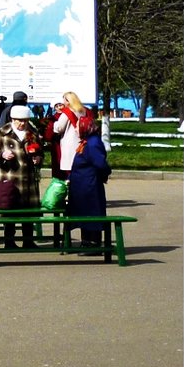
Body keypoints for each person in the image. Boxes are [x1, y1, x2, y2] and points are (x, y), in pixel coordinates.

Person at [0, 104, 44, 248]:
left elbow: (40, 151)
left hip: (28, 178)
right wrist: (2, 155)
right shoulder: (3, 131)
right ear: (12, 119)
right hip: (9, 178)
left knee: (28, 211)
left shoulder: (33, 132)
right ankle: (9, 241)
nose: (22, 124)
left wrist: (38, 159)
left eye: (25, 120)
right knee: (9, 210)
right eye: (19, 120)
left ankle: (28, 240)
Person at [67, 120, 112, 253]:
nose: (75, 129)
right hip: (82, 185)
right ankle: (86, 242)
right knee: (84, 213)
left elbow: (100, 163)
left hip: (89, 186)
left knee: (91, 213)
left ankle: (94, 244)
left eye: (76, 126)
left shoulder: (92, 143)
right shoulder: (87, 141)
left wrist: (105, 174)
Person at [47, 91, 95, 180]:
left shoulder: (67, 112)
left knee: (70, 172)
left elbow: (59, 128)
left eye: (64, 100)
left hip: (70, 144)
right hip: (83, 143)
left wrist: (54, 124)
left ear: (68, 101)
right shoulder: (85, 110)